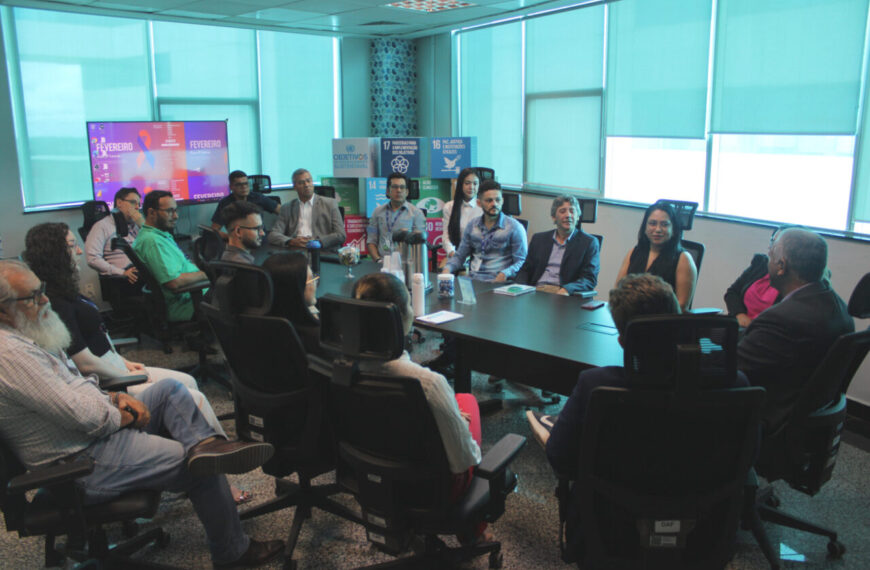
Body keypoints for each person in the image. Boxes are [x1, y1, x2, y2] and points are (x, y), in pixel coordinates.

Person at [0, 260, 283, 567]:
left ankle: (207, 444)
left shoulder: (28, 336)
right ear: (2, 309)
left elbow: (76, 388)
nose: (44, 299)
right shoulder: (11, 356)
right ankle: (232, 553)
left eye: (41, 290)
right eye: (32, 297)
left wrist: (113, 396)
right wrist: (122, 414)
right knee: (200, 466)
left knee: (171, 390)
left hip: (91, 438)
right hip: (81, 464)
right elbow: (85, 416)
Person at [24, 223, 254, 505]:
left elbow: (98, 337)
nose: (80, 250)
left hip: (114, 365)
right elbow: (84, 363)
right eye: (72, 245)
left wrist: (125, 360)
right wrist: (124, 373)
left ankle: (208, 458)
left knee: (190, 382)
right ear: (54, 253)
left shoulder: (67, 290)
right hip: (106, 380)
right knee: (191, 396)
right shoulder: (55, 301)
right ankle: (218, 476)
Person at [538, 273, 747, 561]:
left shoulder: (597, 385)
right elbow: (746, 459)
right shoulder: (733, 384)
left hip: (611, 530)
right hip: (703, 528)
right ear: (678, 318)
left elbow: (561, 458)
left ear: (623, 340)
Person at [352, 273, 482, 497]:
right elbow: (465, 459)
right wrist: (455, 419)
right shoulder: (429, 384)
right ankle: (474, 528)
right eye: (410, 305)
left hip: (369, 477)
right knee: (468, 401)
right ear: (399, 318)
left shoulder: (340, 366)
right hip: (429, 488)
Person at [737, 228, 854, 431]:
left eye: (771, 255)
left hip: (768, 418)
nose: (768, 261)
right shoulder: (839, 307)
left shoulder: (780, 320)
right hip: (803, 417)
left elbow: (732, 369)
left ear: (781, 266)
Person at [133, 190, 208, 322]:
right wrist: (207, 274)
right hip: (187, 303)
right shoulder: (152, 242)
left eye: (176, 211)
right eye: (169, 211)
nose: (175, 216)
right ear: (151, 213)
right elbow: (174, 282)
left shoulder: (159, 235)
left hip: (195, 293)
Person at [615, 201, 697, 311]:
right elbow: (618, 290)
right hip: (630, 320)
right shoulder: (634, 253)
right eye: (652, 223)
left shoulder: (683, 259)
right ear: (645, 227)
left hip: (662, 322)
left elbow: (681, 306)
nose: (658, 229)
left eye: (664, 224)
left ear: (673, 230)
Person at [442, 180, 527, 282]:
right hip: (473, 279)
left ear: (502, 201)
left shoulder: (514, 228)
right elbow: (460, 256)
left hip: (497, 282)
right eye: (489, 200)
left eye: (497, 200)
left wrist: (505, 273)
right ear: (479, 203)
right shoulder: (472, 226)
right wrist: (447, 269)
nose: (494, 204)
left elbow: (522, 261)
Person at [515, 195, 599, 295]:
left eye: (572, 211)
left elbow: (589, 279)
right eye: (562, 211)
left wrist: (567, 289)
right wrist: (520, 287)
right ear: (554, 217)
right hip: (536, 292)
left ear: (577, 217)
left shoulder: (589, 243)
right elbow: (525, 270)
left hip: (563, 295)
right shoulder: (539, 239)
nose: (568, 215)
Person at [724, 225, 798, 328]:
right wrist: (740, 314)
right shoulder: (760, 264)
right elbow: (732, 293)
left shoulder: (794, 280)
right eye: (772, 242)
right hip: (740, 326)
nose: (771, 247)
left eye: (777, 245)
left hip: (766, 333)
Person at [267, 168, 346, 250]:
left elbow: (340, 235)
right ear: (294, 187)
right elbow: (273, 235)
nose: (306, 185)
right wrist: (291, 241)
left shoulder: (330, 204)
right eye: (301, 183)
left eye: (309, 181)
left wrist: (318, 242)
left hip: (320, 250)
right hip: (295, 249)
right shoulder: (287, 207)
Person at [262, 252, 321, 355]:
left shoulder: (259, 327)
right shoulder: (319, 338)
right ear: (296, 289)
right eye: (311, 279)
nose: (315, 283)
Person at [84, 187, 143, 285]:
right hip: (125, 277)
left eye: (139, 204)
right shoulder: (102, 226)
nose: (137, 207)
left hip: (143, 270)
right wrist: (122, 272)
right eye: (133, 202)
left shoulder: (138, 226)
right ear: (119, 203)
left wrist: (143, 226)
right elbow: (92, 258)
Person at [366, 172, 426, 262]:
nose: (398, 190)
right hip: (382, 262)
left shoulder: (417, 213)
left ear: (407, 192)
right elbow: (371, 240)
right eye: (394, 187)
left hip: (406, 263)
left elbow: (420, 244)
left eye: (402, 187)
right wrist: (378, 260)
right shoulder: (377, 212)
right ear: (387, 191)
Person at [210, 170, 278, 240]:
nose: (244, 187)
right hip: (237, 241)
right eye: (239, 184)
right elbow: (214, 229)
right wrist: (230, 237)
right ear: (231, 187)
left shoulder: (258, 197)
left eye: (246, 184)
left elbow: (283, 211)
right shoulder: (225, 203)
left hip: (259, 240)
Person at [441, 168, 482, 262]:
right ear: (460, 185)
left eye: (475, 183)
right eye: (467, 183)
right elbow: (446, 236)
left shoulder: (483, 208)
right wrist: (452, 253)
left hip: (478, 259)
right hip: (455, 257)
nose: (471, 187)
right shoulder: (449, 207)